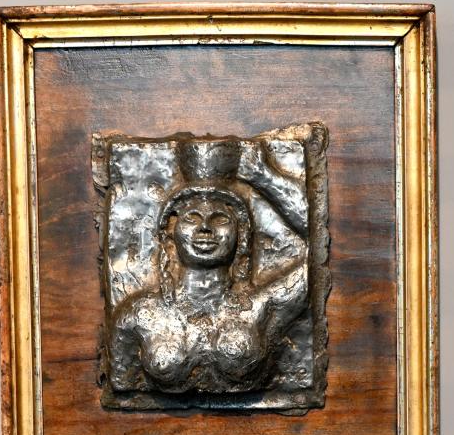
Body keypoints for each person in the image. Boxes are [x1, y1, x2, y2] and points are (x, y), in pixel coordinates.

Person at [106, 140, 309, 395]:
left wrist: (264, 177)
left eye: (220, 219)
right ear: (170, 234)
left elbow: (317, 241)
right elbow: (123, 390)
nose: (205, 228)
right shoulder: (138, 316)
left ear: (241, 237)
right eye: (192, 217)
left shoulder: (263, 306)